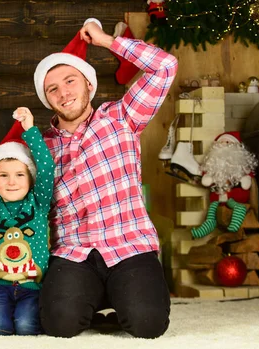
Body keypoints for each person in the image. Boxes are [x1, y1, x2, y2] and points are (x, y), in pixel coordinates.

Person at [33, 18, 178, 338]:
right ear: (47, 100)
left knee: (148, 325)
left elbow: (165, 67)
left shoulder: (121, 117)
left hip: (128, 246)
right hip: (74, 252)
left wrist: (106, 40)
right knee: (59, 323)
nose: (63, 92)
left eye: (70, 81)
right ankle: (95, 297)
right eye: (52, 89)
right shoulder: (41, 146)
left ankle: (128, 295)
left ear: (88, 83)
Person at [0, 107, 55, 335]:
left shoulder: (38, 202)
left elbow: (47, 168)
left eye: (19, 175)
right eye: (3, 175)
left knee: (25, 325)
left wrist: (30, 130)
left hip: (32, 286)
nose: (12, 182)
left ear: (31, 178)